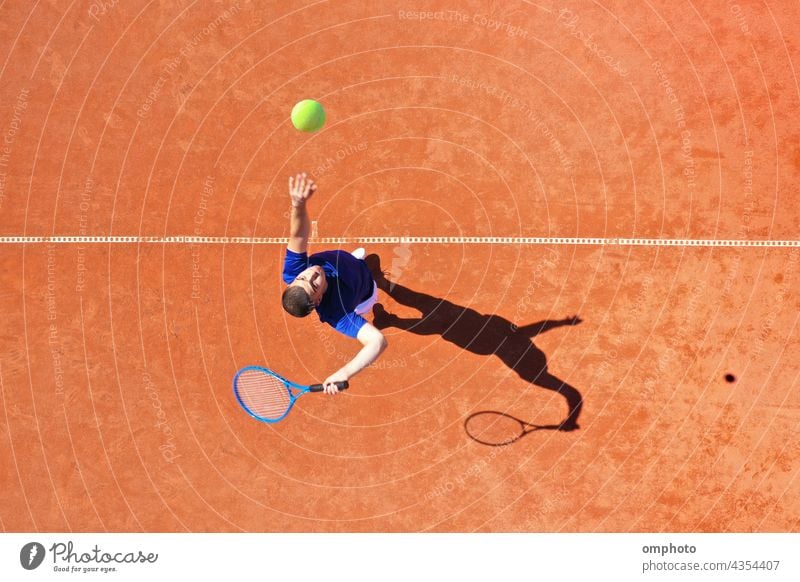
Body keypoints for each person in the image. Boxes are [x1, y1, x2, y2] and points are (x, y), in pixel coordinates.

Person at [281, 172, 388, 393]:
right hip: (364, 291)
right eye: (314, 283)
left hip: (347, 263)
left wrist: (298, 204)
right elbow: (378, 341)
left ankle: (355, 260)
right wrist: (344, 372)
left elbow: (298, 234)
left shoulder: (293, 272)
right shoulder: (337, 314)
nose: (312, 272)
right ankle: (383, 313)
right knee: (373, 296)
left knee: (354, 259)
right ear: (318, 299)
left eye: (303, 278)